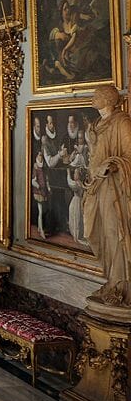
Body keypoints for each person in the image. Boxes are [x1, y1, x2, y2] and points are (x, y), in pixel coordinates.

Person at [82, 85, 131, 306]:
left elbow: (129, 155)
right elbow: (94, 158)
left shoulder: (122, 122)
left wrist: (113, 164)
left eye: (96, 95)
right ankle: (111, 280)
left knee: (114, 233)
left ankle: (120, 285)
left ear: (108, 99)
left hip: (115, 189)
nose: (93, 98)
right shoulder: (96, 125)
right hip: (99, 186)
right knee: (99, 231)